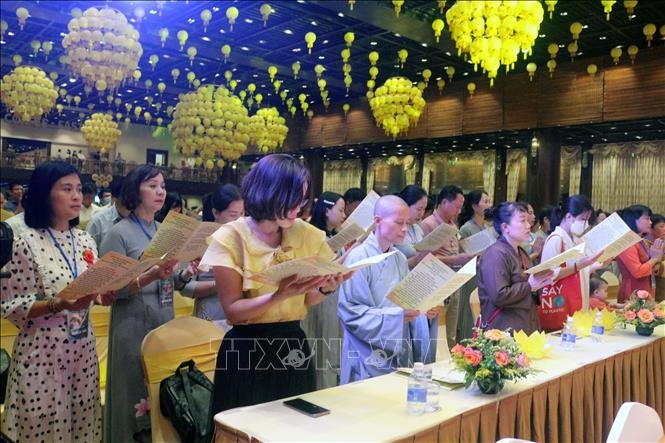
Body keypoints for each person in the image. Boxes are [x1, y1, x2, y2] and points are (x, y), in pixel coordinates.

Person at [199, 154, 348, 413]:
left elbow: (308, 299)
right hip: (247, 348)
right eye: (291, 199)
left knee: (295, 426)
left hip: (292, 343)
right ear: (266, 192)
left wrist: (326, 286)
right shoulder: (232, 236)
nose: (297, 208)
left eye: (302, 200)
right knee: (246, 429)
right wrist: (278, 296)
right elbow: (233, 310)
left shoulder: (306, 234)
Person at [0, 161, 114, 442]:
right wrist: (59, 304)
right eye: (66, 189)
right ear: (44, 194)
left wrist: (101, 296)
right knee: (41, 430)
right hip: (42, 352)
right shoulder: (24, 241)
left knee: (82, 426)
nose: (77, 195)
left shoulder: (86, 241)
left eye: (78, 189)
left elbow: (89, 287)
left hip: (82, 350)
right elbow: (11, 304)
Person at [100, 165, 179, 442]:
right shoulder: (118, 233)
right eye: (152, 185)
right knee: (131, 392)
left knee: (159, 394)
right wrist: (151, 275)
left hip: (162, 320)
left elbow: (176, 279)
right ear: (136, 191)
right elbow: (112, 290)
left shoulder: (164, 231)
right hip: (131, 323)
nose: (160, 191)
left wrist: (187, 270)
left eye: (163, 186)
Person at [338, 195, 437, 383]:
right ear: (377, 220)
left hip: (398, 347)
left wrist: (423, 311)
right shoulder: (358, 258)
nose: (405, 229)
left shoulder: (399, 258)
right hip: (365, 352)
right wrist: (397, 316)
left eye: (407, 223)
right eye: (399, 222)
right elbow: (351, 313)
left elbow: (408, 299)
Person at [477, 202, 554, 334]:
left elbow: (530, 284)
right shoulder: (495, 254)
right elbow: (499, 295)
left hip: (525, 325)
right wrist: (530, 285)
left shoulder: (521, 251)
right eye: (522, 221)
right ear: (505, 227)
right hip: (503, 332)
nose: (528, 225)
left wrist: (542, 279)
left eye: (527, 221)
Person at [180, 184, 244, 323]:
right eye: (233, 215)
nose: (239, 220)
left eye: (242, 214)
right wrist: (225, 283)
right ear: (215, 213)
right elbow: (185, 287)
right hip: (211, 315)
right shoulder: (201, 239)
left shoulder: (245, 239)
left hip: (241, 315)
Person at [420, 185, 473, 348]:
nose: (459, 211)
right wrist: (456, 258)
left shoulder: (452, 224)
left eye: (461, 207)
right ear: (444, 202)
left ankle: (451, 360)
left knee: (451, 329)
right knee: (439, 329)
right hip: (436, 283)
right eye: (457, 206)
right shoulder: (428, 224)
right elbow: (425, 258)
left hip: (453, 280)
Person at [305, 191, 348, 389]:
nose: (344, 215)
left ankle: (330, 384)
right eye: (340, 210)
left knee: (331, 343)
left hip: (334, 294)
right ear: (326, 210)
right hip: (317, 294)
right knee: (318, 341)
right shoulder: (311, 235)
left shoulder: (336, 235)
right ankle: (318, 387)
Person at [540, 196, 603, 325]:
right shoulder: (556, 239)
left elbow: (579, 269)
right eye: (582, 219)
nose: (585, 224)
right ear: (569, 217)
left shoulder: (575, 239)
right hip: (562, 301)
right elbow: (547, 274)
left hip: (577, 298)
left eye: (587, 220)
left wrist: (594, 266)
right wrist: (580, 266)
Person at [616, 205, 664, 302]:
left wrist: (657, 259)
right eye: (647, 218)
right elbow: (637, 272)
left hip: (646, 287)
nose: (650, 222)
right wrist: (654, 259)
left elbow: (651, 268)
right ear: (634, 220)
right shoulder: (627, 243)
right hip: (633, 291)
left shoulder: (641, 241)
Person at [394, 185, 430, 270]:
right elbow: (392, 267)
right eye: (419, 209)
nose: (421, 214)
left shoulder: (417, 228)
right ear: (406, 205)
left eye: (424, 209)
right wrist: (416, 259)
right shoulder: (393, 229)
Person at [86, 180, 128, 248]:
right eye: (127, 201)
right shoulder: (98, 221)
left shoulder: (139, 220)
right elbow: (87, 250)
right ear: (114, 199)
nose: (132, 204)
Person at [649, 215, 665, 302]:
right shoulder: (645, 244)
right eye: (662, 226)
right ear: (651, 229)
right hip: (653, 286)